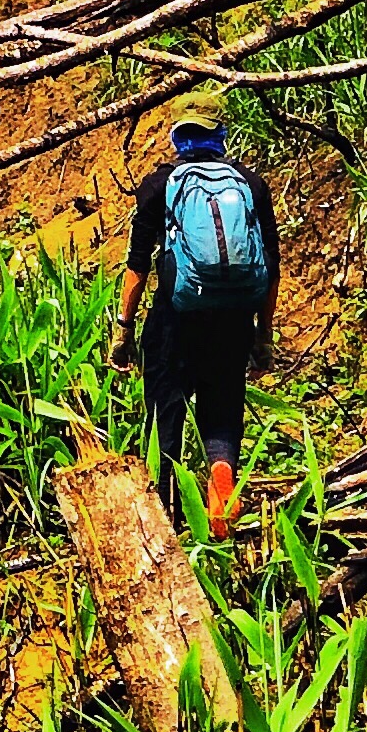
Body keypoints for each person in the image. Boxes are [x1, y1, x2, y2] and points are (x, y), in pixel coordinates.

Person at [111, 118, 280, 535]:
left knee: (165, 417)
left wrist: (124, 329)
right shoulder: (251, 184)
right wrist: (262, 335)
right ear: (221, 138)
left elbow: (137, 266)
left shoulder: (159, 185)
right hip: (233, 318)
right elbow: (271, 268)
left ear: (177, 139)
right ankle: (221, 478)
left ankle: (168, 520)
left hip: (174, 321)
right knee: (221, 412)